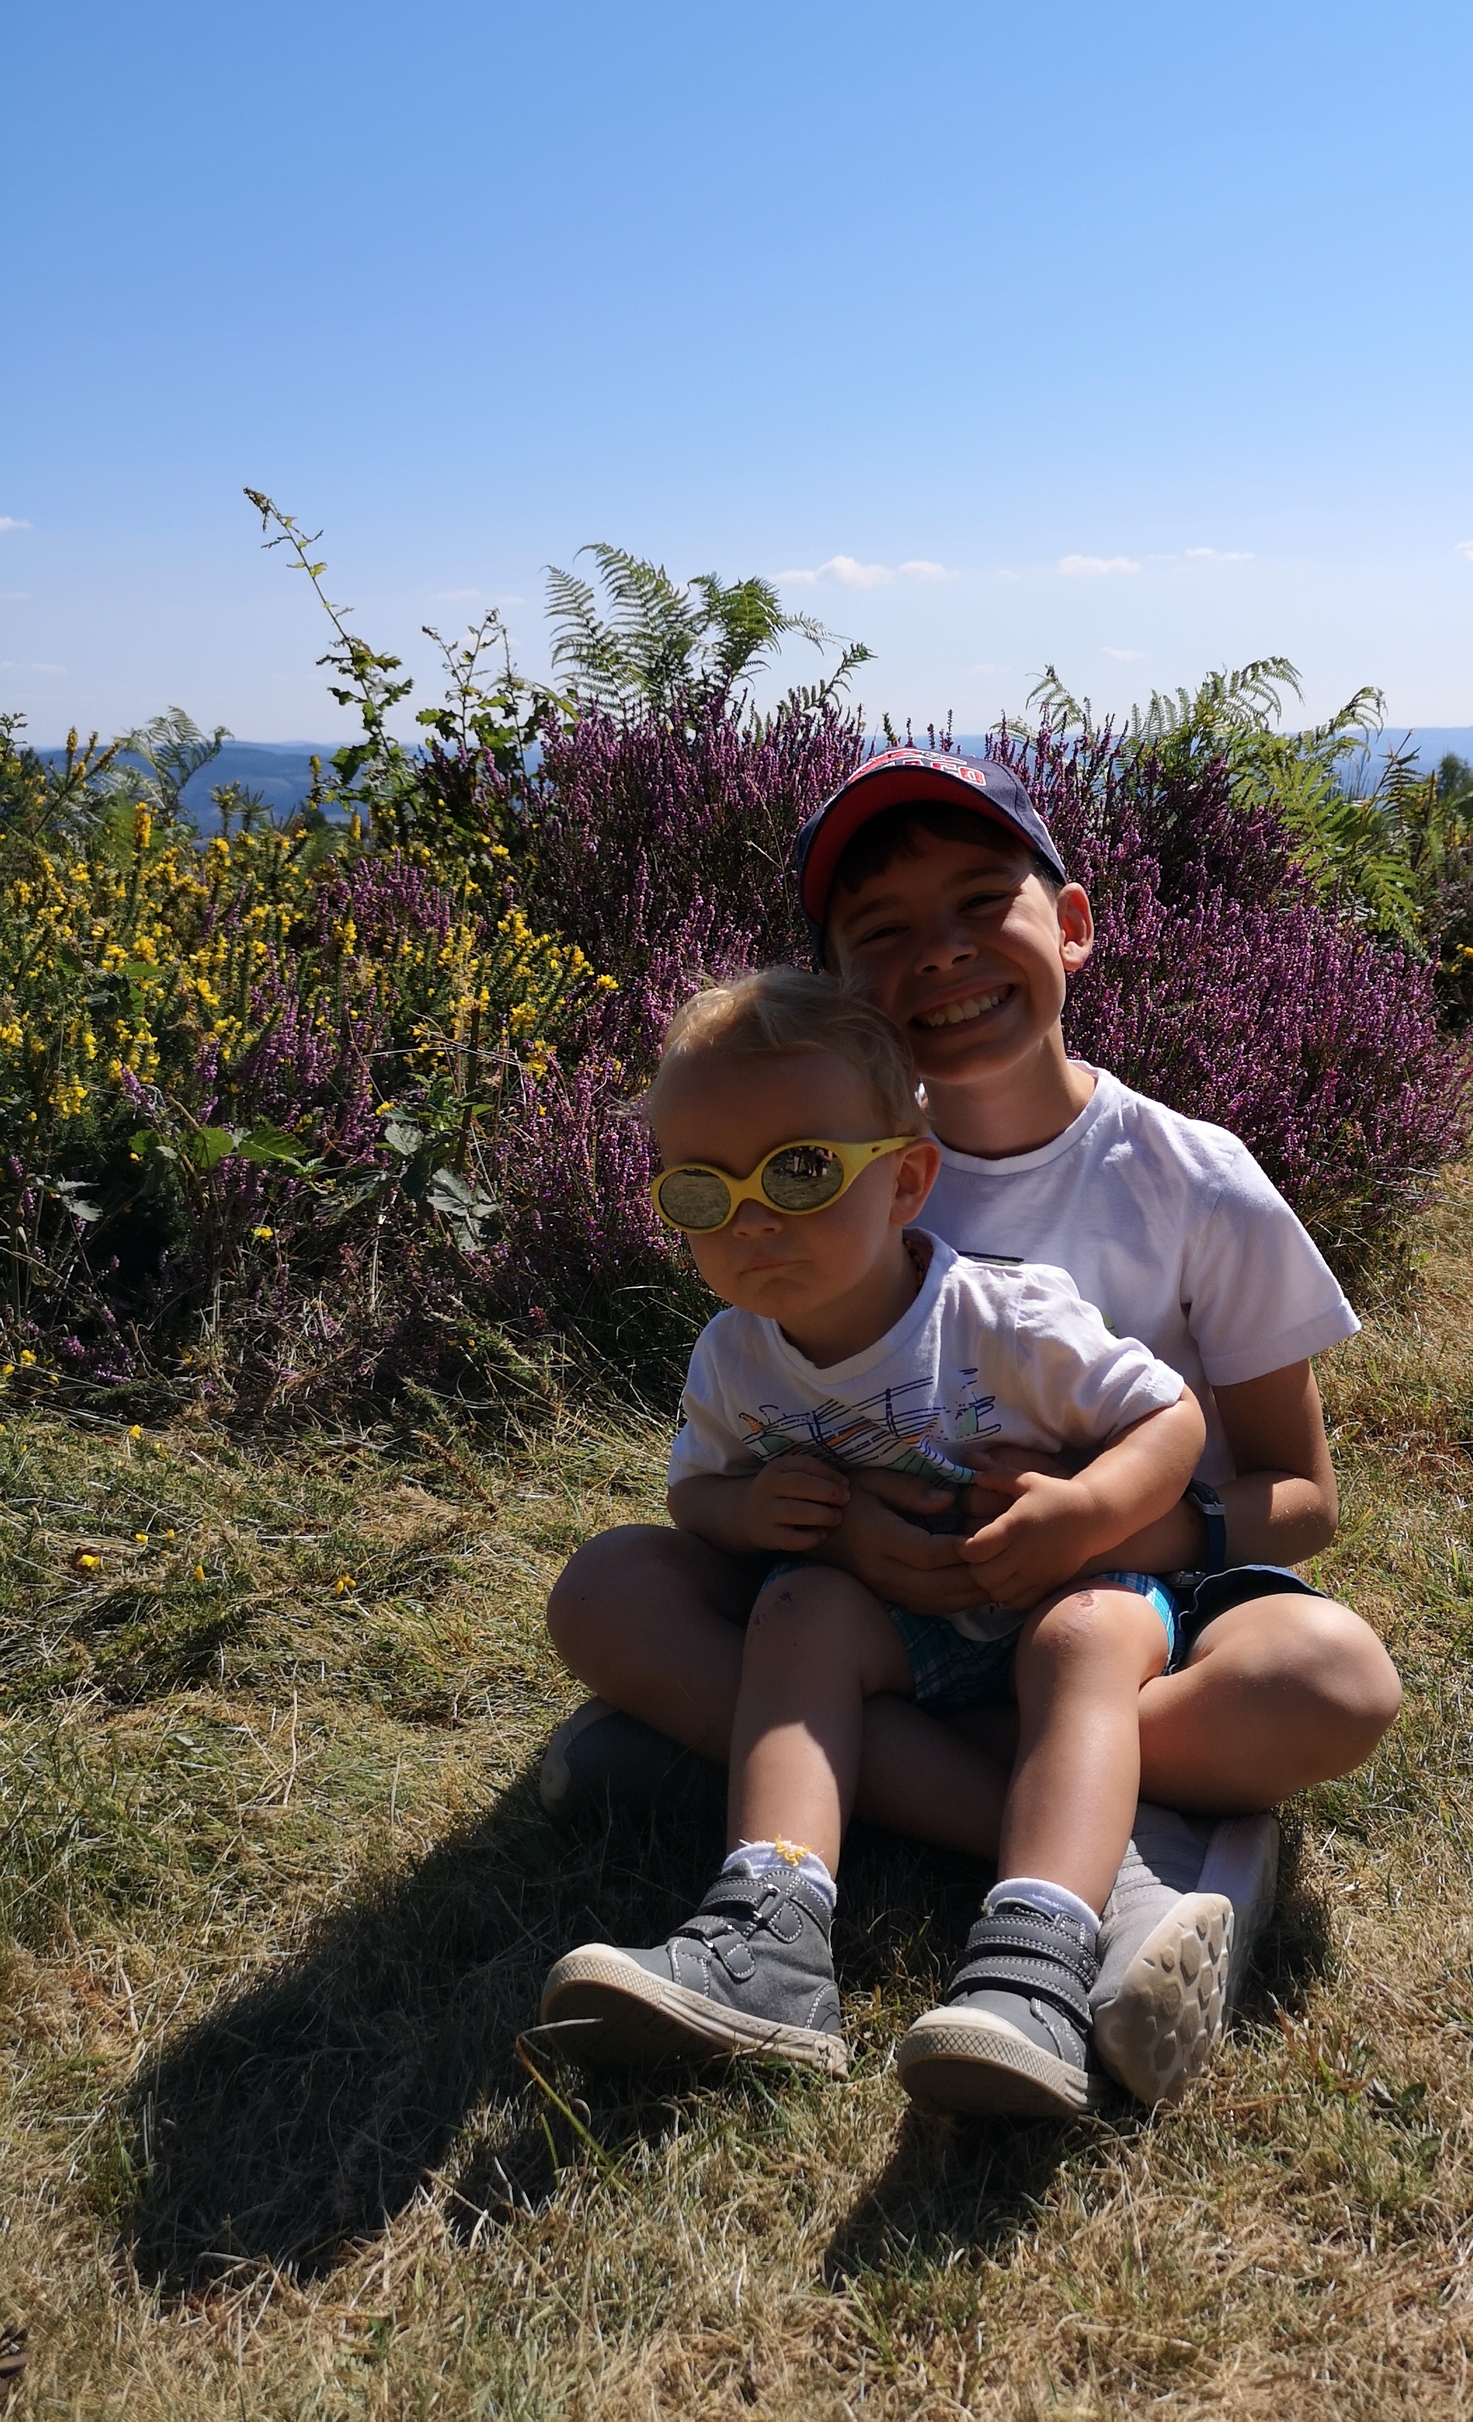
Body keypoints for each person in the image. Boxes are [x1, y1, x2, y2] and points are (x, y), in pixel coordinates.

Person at [543, 749, 1403, 2103]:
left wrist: (1093, 1527)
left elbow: (1302, 1498)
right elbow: (745, 1447)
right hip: (883, 1624)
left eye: (981, 903)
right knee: (604, 1592)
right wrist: (836, 1533)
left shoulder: (1196, 1182)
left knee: (1330, 1680)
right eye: (883, 930)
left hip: (1128, 1623)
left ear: (1072, 924)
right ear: (841, 988)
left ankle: (768, 1766)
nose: (939, 952)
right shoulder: (818, 1169)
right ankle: (1121, 1860)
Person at [539, 968, 1211, 2117]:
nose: (752, 1220)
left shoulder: (1004, 1316)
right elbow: (698, 1491)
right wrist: (748, 1513)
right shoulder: (735, 1355)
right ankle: (772, 1934)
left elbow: (1172, 1418)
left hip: (1065, 1593)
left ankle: (1039, 1956)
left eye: (799, 1171)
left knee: (1087, 1637)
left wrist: (1086, 1511)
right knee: (798, 1606)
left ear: (905, 1179)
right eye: (702, 1191)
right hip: (899, 1636)